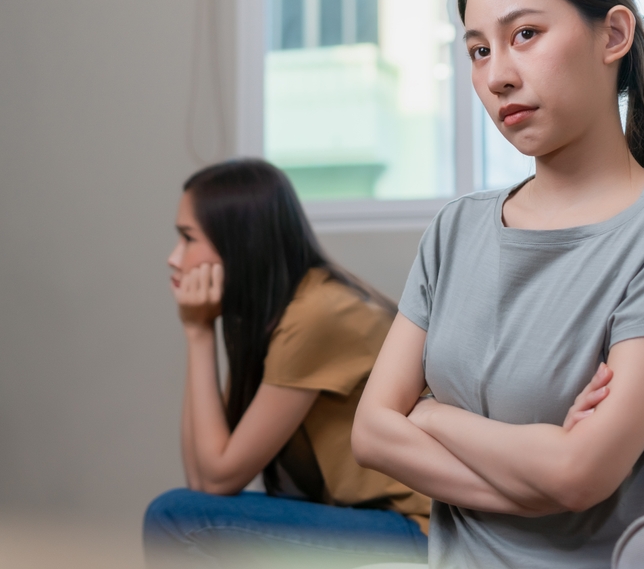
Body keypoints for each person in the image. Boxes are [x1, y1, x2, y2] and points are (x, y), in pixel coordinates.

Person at [352, 0, 644, 568]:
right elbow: (370, 433)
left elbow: (579, 478)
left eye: (525, 35)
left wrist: (429, 418)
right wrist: (536, 476)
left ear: (613, 35)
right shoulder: (456, 230)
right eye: (478, 51)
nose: (498, 76)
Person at [143, 159, 430, 566]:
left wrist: (198, 333)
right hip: (376, 518)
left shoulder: (317, 315)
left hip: (416, 528)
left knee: (174, 517)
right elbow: (202, 479)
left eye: (188, 238)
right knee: (181, 511)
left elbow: (216, 477)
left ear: (237, 242)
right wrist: (200, 330)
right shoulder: (282, 312)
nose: (175, 258)